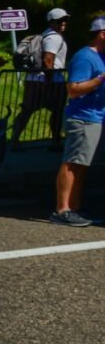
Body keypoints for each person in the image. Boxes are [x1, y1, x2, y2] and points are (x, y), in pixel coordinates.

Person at [50, 15, 105, 227]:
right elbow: (73, 90)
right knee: (72, 163)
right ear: (101, 34)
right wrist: (100, 79)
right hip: (82, 118)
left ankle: (74, 207)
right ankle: (62, 209)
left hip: (95, 118)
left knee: (82, 165)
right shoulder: (85, 57)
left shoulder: (101, 56)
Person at [12, 7, 69, 146]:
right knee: (57, 111)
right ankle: (56, 141)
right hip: (50, 80)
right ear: (51, 22)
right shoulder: (54, 38)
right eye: (60, 21)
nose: (64, 23)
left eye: (65, 20)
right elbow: (48, 60)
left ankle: (14, 140)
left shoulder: (45, 35)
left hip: (35, 79)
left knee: (27, 110)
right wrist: (48, 82)